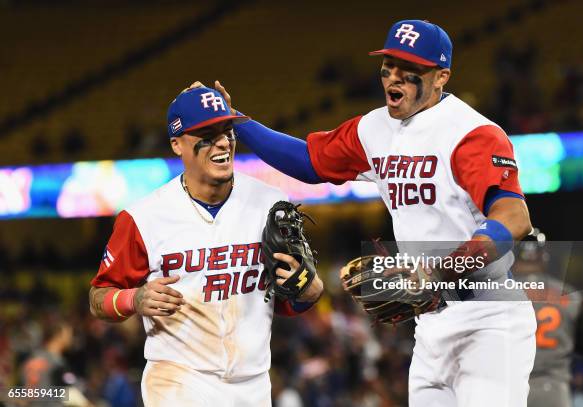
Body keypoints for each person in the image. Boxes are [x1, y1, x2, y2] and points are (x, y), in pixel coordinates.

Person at [190, 19, 537, 406]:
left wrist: (436, 271)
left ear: (442, 77)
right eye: (388, 68)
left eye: (410, 72)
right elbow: (309, 160)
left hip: (490, 319)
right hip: (430, 324)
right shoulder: (374, 128)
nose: (394, 79)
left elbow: (514, 218)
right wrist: (239, 122)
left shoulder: (470, 133)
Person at [89, 86, 324, 407]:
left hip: (252, 383)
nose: (223, 142)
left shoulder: (270, 204)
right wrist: (135, 298)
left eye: (227, 131)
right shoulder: (143, 217)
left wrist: (308, 292)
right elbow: (99, 298)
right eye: (207, 134)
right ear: (177, 143)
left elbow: (287, 300)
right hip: (177, 379)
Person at [513, 230, 583, 407]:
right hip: (553, 389)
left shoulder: (495, 293)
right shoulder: (569, 294)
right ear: (543, 257)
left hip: (509, 387)